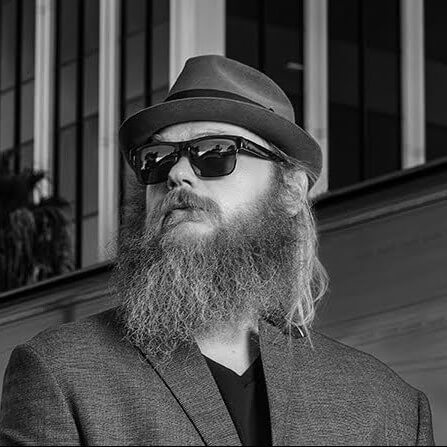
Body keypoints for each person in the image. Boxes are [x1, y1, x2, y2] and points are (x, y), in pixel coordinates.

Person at [0, 55, 434, 446]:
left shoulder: (389, 407)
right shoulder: (61, 373)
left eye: (214, 152)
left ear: (290, 191)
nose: (177, 173)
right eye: (157, 159)